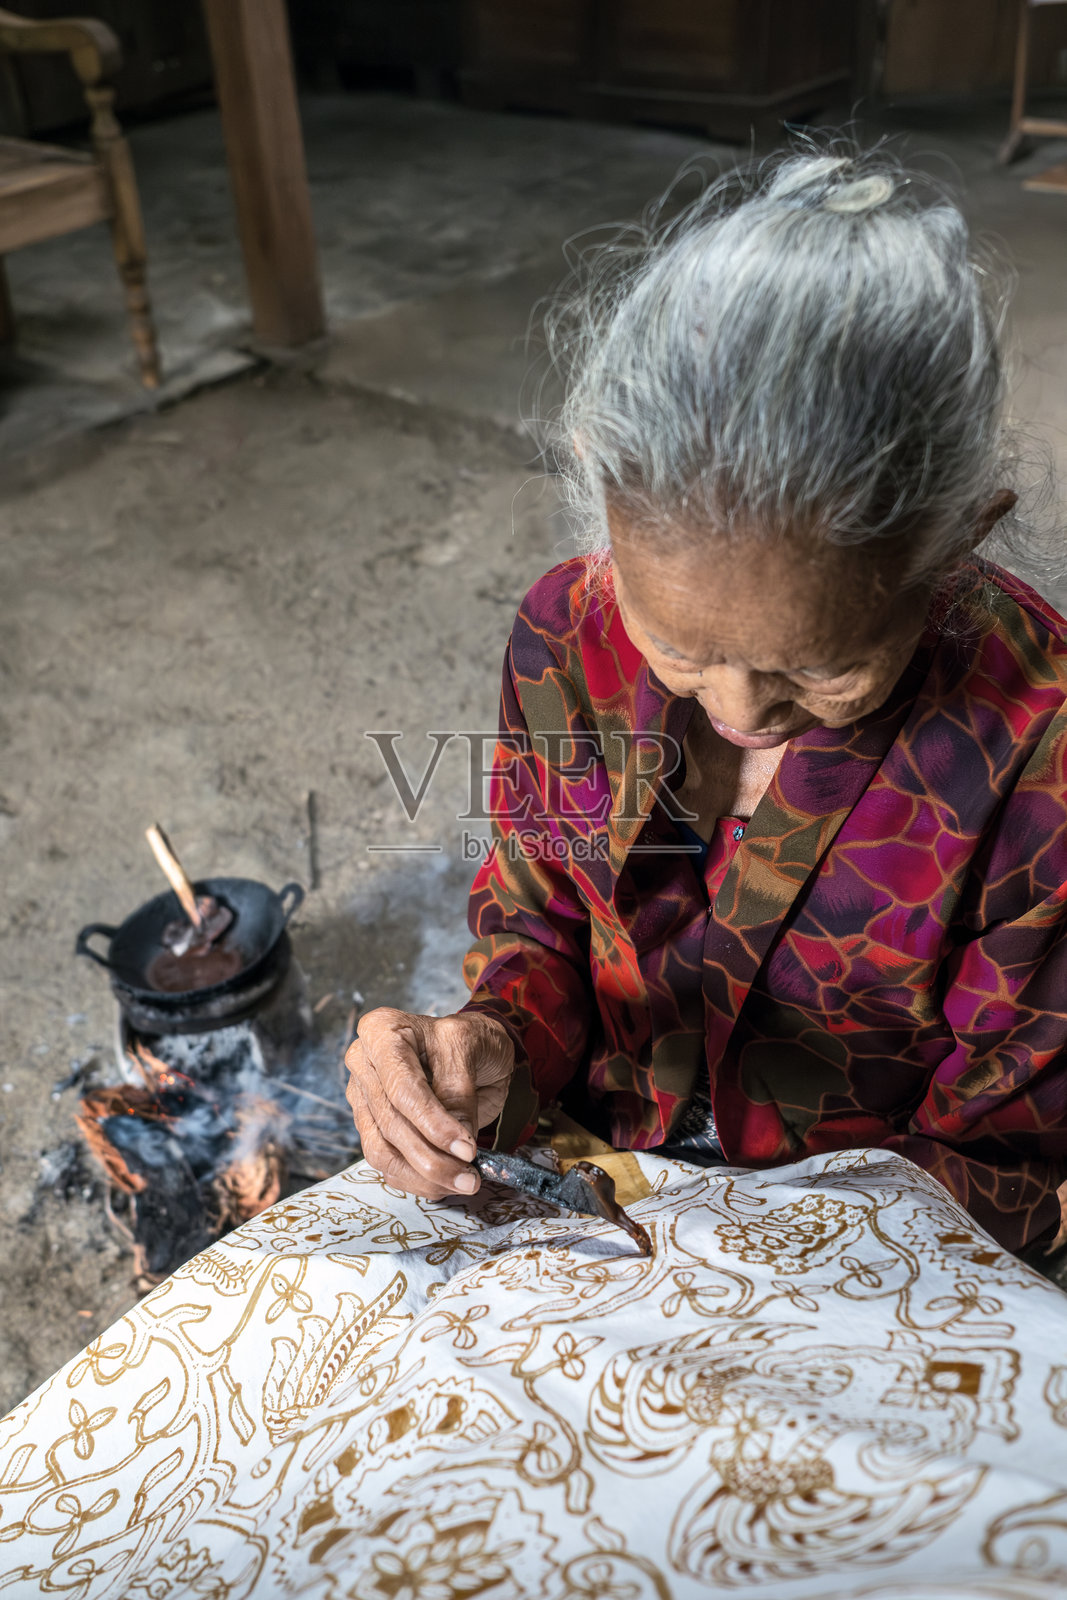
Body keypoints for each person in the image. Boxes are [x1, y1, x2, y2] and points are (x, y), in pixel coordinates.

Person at [345, 145, 1067, 1256]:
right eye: (678, 643)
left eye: (819, 667)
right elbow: (538, 920)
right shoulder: (565, 633)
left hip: (859, 1260)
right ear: (599, 488)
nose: (740, 706)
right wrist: (486, 1044)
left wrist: (720, 1258)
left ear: (957, 543)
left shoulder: (1036, 741)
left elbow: (1006, 1158)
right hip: (608, 1170)